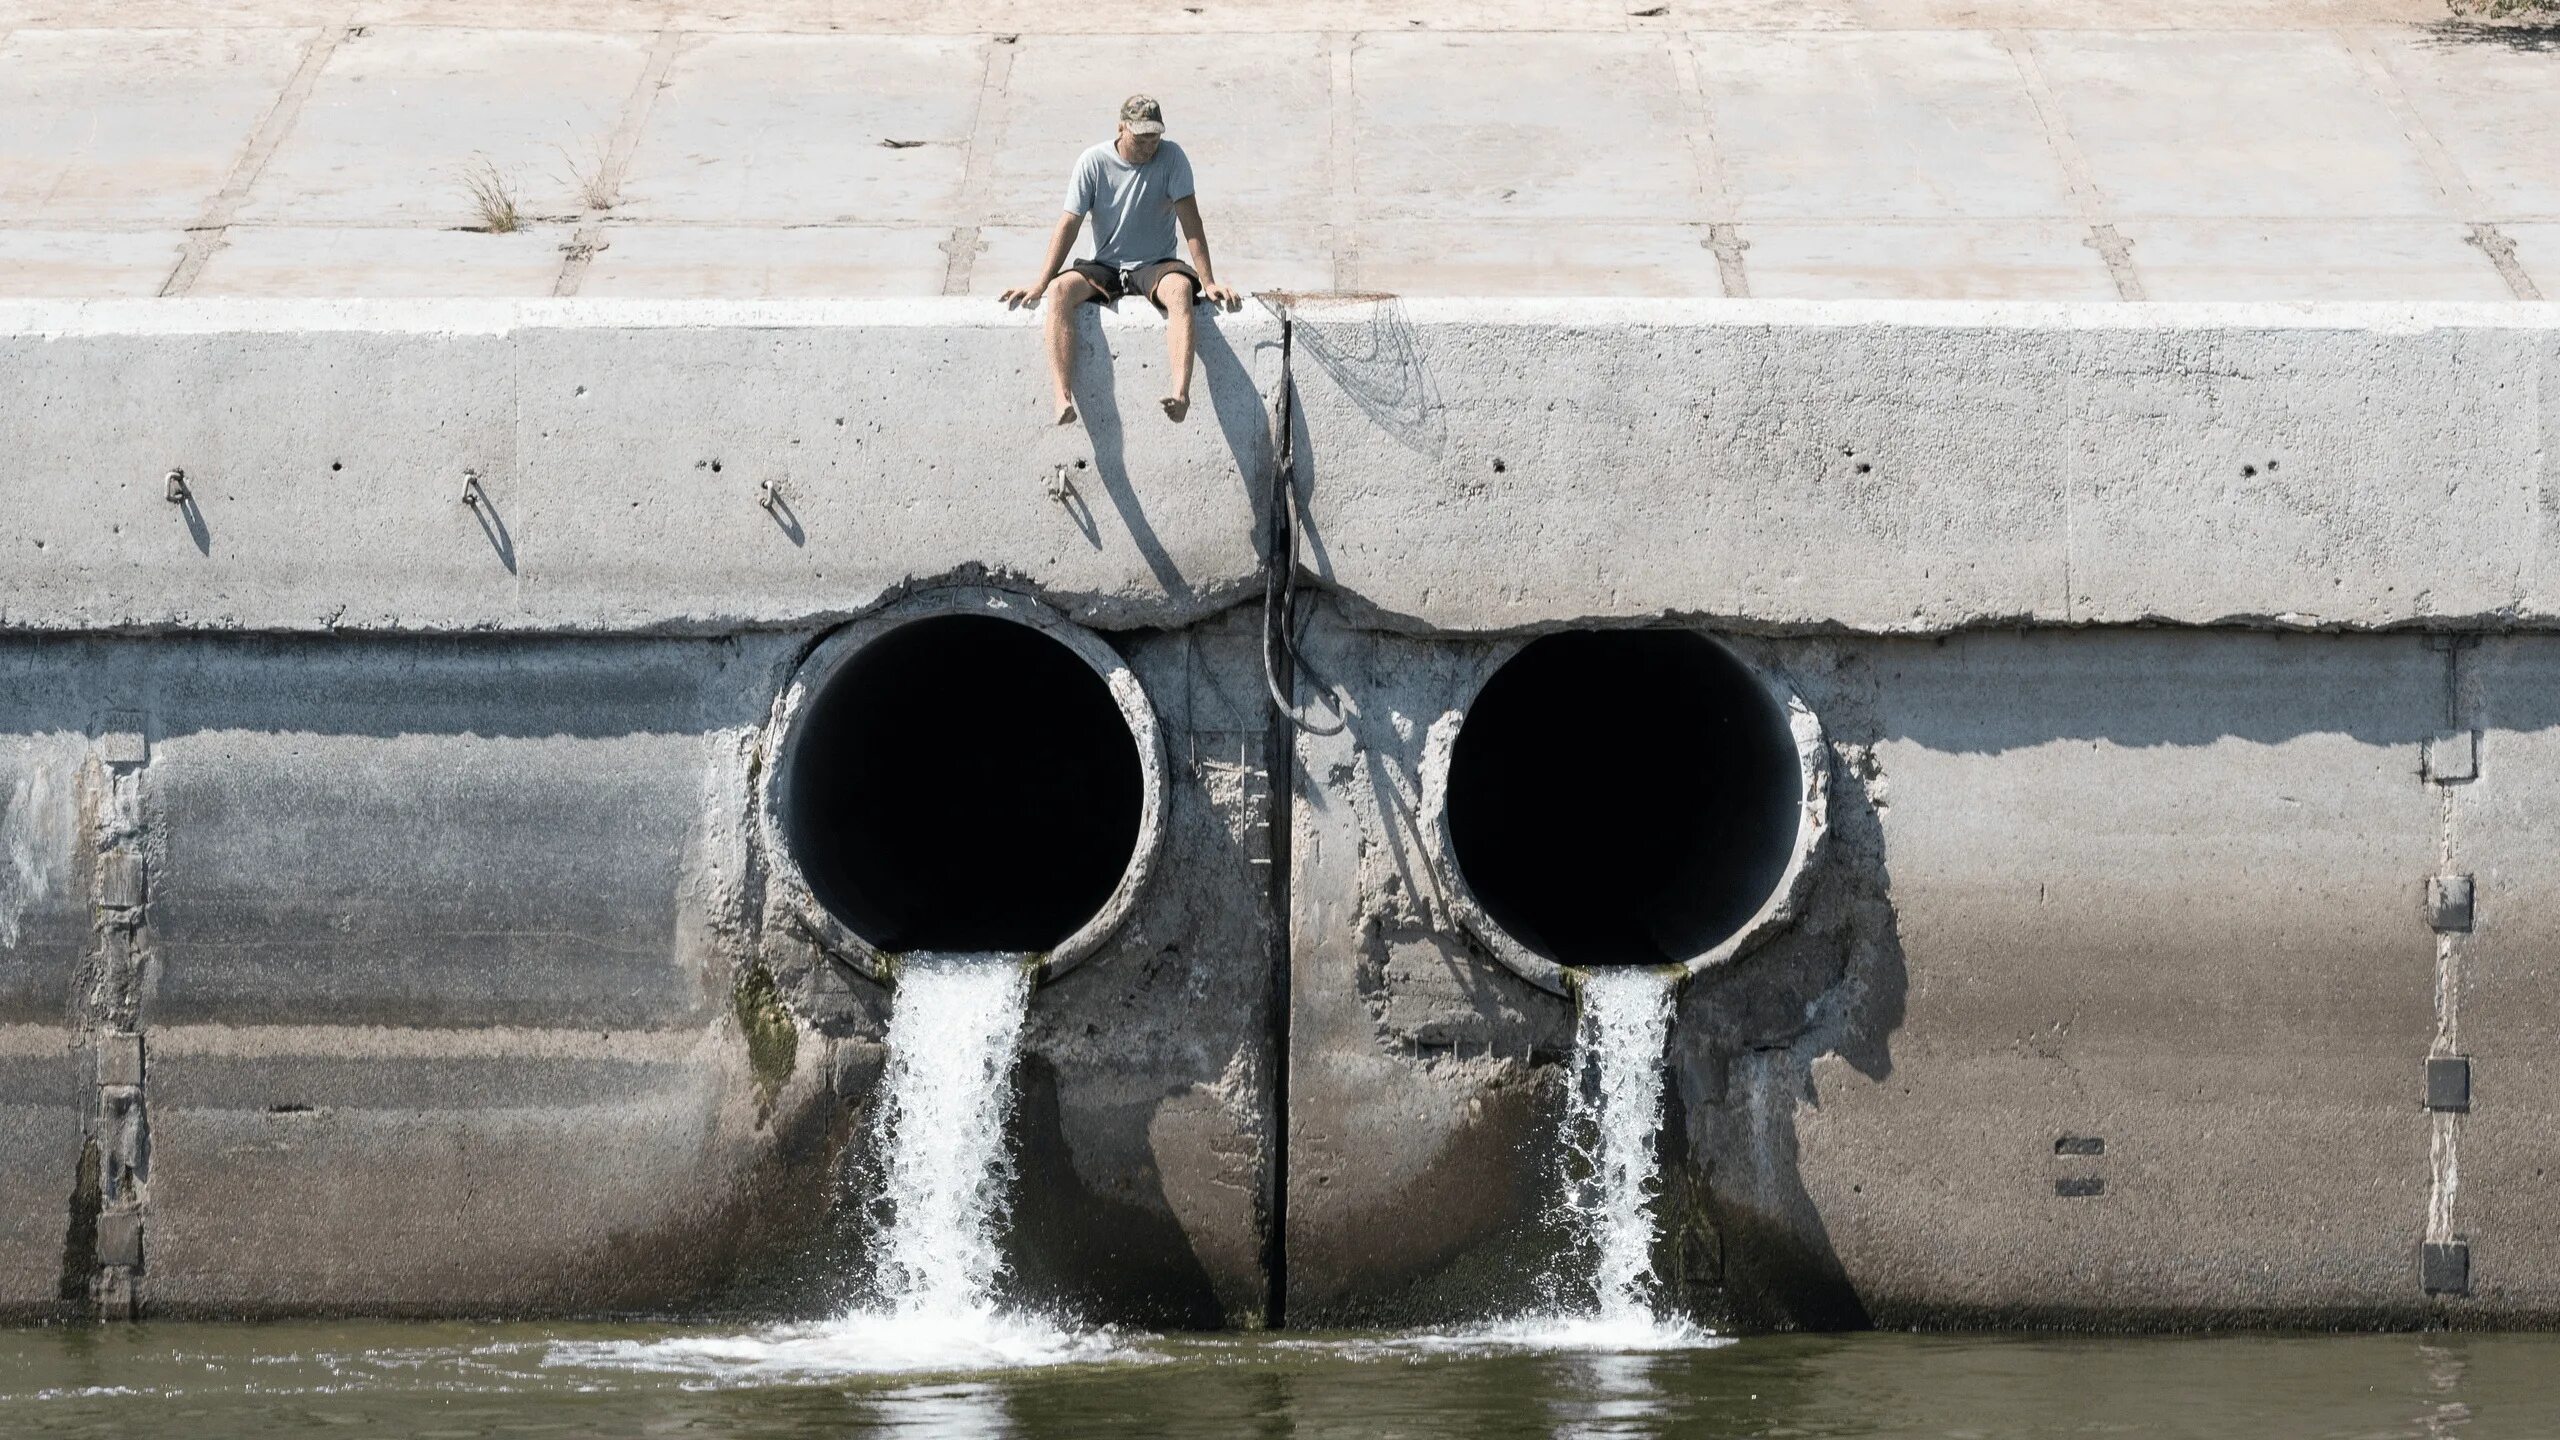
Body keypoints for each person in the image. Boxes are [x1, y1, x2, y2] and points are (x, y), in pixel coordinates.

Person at [1000, 95, 1241, 425]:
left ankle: (1181, 395)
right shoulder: (1093, 162)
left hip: (1155, 263)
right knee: (1059, 292)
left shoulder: (1173, 158)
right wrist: (1041, 281)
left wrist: (1209, 280)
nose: (1149, 147)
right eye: (1141, 139)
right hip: (1106, 264)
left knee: (1180, 291)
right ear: (1121, 129)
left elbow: (1192, 222)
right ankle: (1061, 397)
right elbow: (1069, 224)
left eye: (1154, 138)